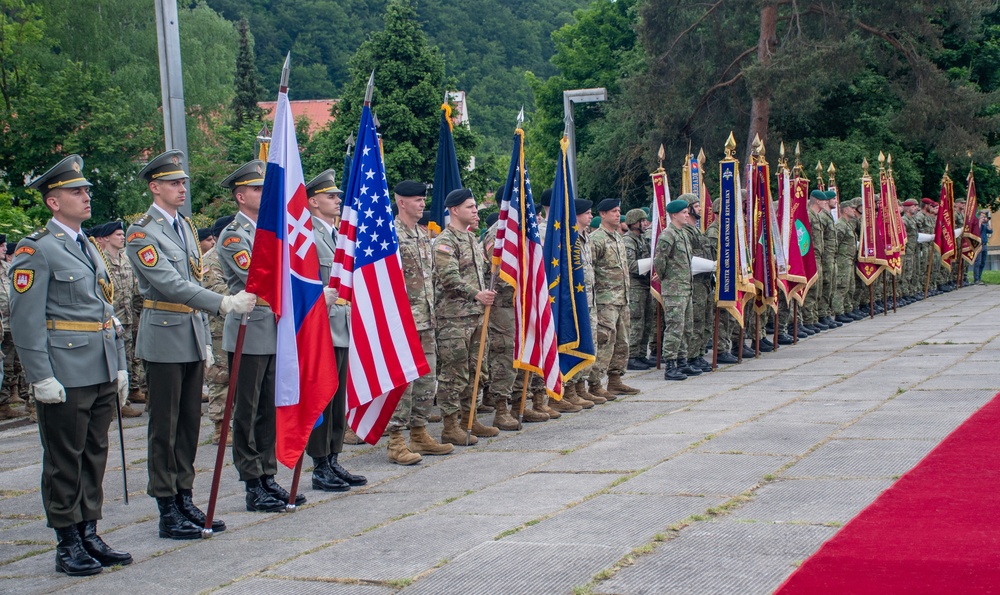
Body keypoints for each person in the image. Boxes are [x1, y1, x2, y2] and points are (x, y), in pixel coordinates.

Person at [11, 155, 131, 575]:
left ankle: (89, 530)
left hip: (97, 365)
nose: (86, 197)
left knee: (94, 455)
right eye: (76, 191)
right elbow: (26, 322)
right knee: (65, 458)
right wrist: (40, 376)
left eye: (86, 190)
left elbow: (103, 309)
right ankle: (66, 541)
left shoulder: (87, 246)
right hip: (64, 368)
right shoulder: (36, 250)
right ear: (53, 202)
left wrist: (117, 364)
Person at [127, 150, 256, 538]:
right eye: (173, 183)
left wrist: (203, 333)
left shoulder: (183, 226)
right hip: (163, 333)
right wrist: (221, 303)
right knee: (164, 428)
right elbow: (170, 284)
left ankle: (185, 496)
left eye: (183, 182)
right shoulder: (141, 233)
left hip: (188, 332)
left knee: (187, 425)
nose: (182, 188)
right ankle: (167, 506)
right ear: (155, 188)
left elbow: (192, 278)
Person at [216, 160, 306, 512]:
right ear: (241, 196)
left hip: (274, 327)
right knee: (248, 411)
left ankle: (268, 475)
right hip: (249, 329)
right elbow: (259, 275)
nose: (263, 193)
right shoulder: (235, 235)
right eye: (256, 189)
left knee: (270, 407)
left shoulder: (273, 230)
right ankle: (252, 481)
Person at [302, 170, 368, 488]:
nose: (338, 200)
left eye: (338, 195)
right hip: (322, 328)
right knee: (322, 397)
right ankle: (319, 464)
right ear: (313, 202)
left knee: (338, 398)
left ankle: (333, 458)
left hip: (342, 324)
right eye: (331, 196)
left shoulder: (337, 235)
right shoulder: (308, 237)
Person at [388, 180, 455, 462]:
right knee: (403, 383)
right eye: (416, 200)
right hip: (402, 321)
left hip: (426, 320)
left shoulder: (422, 235)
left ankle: (419, 433)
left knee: (427, 380)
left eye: (422, 200)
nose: (422, 204)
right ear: (401, 202)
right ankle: (395, 441)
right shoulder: (390, 235)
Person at [433, 188, 497, 445]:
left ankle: (469, 419)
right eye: (470, 207)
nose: (475, 211)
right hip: (454, 318)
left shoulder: (471, 240)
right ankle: (450, 425)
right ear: (455, 210)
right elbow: (448, 278)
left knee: (477, 370)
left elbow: (482, 271)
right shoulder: (445, 241)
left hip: (476, 316)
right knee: (454, 373)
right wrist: (476, 295)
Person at [90, 221, 144, 417]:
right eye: (118, 235)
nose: (122, 238)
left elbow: (134, 290)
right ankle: (110, 404)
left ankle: (123, 400)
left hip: (127, 318)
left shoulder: (126, 260)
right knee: (109, 361)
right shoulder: (98, 261)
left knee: (127, 361)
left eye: (123, 234)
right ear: (104, 238)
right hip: (108, 320)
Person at [588, 199, 640, 396]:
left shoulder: (618, 238)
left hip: (622, 298)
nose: (618, 214)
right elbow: (589, 269)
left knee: (622, 342)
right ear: (602, 214)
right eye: (613, 211)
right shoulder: (597, 239)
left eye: (619, 211)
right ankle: (595, 384)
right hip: (605, 300)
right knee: (605, 341)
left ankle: (615, 379)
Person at [201, 215, 235, 444]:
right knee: (221, 377)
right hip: (220, 326)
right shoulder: (211, 259)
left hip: (243, 323)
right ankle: (221, 427)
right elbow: (215, 290)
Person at [654, 198, 695, 380]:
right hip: (674, 288)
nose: (687, 215)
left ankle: (682, 361)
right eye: (684, 213)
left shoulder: (683, 234)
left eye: (687, 212)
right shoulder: (668, 235)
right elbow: (659, 261)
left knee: (686, 327)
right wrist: (666, 278)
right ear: (674, 215)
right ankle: (670, 365)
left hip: (686, 287)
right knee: (674, 327)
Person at [622, 208, 652, 371]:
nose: (646, 224)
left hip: (644, 285)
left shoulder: (640, 239)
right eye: (643, 221)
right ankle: (632, 355)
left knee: (646, 322)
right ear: (635, 223)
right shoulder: (628, 241)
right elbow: (630, 265)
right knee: (636, 321)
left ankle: (641, 353)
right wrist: (651, 263)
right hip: (635, 286)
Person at [974, 210, 992, 284]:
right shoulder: (976, 224)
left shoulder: (984, 225)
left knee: (983, 262)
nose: (983, 217)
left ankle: (979, 278)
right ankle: (976, 279)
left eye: (984, 216)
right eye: (982, 216)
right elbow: (977, 231)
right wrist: (980, 221)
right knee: (977, 262)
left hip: (984, 244)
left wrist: (987, 222)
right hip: (978, 245)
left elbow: (990, 231)